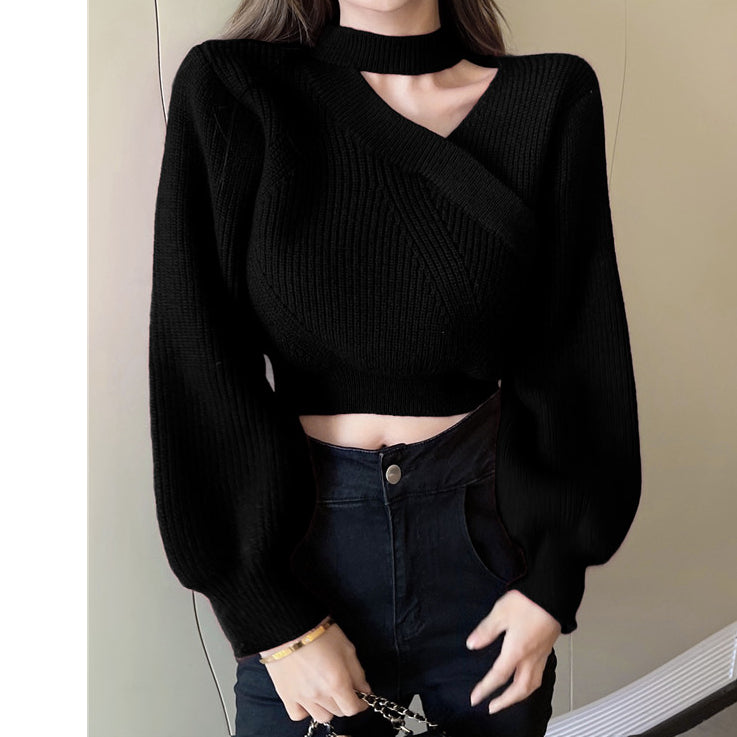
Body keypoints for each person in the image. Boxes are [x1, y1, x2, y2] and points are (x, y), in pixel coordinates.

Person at [148, 1, 642, 735]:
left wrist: (552, 581)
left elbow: (576, 349)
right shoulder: (234, 89)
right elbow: (196, 360)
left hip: (483, 551)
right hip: (303, 552)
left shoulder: (549, 97)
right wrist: (269, 616)